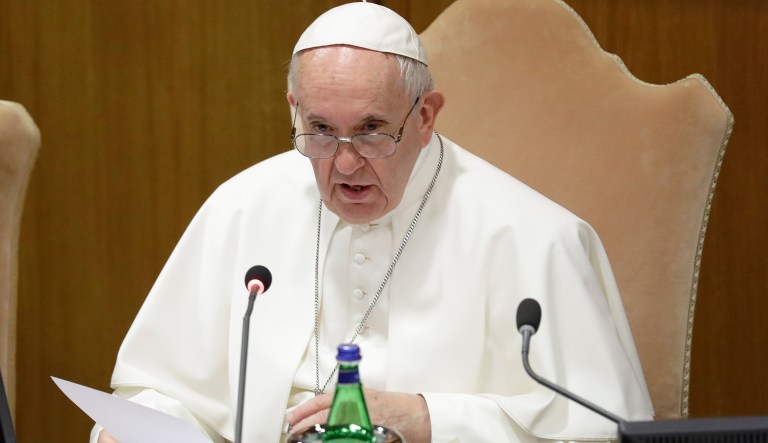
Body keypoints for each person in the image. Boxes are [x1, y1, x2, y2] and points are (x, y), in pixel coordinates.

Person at [93, 2, 654, 442]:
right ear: (293, 108)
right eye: (318, 129)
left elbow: (599, 430)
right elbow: (168, 389)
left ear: (426, 116)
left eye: (371, 130)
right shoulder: (241, 208)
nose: (344, 162)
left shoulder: (532, 236)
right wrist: (135, 427)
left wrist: (427, 420)